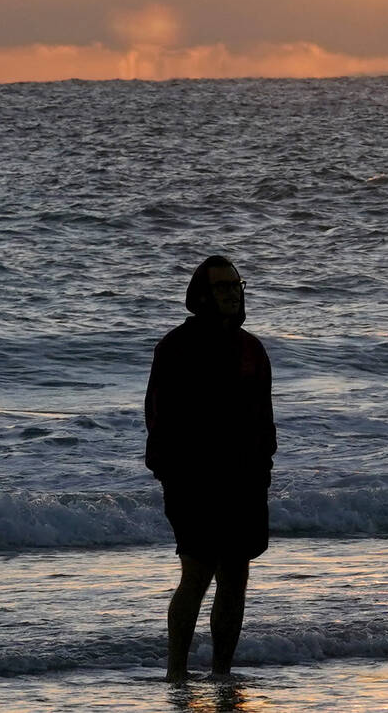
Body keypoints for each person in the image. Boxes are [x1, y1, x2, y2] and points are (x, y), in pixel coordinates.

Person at [143, 256, 276, 681]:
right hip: (193, 481)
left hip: (244, 481)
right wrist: (170, 473)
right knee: (197, 573)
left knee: (235, 576)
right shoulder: (176, 348)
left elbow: (264, 419)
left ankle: (222, 675)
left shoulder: (252, 349)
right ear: (202, 294)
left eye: (235, 285)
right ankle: (176, 674)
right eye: (221, 287)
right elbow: (157, 417)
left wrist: (262, 470)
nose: (231, 293)